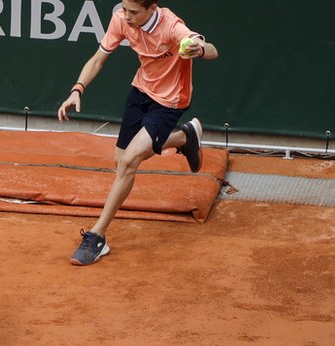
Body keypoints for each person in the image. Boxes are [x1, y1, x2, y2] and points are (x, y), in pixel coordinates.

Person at [57, 0, 218, 266]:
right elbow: (98, 59)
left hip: (170, 100)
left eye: (134, 12)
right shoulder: (121, 19)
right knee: (120, 160)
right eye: (124, 9)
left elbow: (212, 50)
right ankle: (184, 137)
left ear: (151, 9)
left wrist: (197, 49)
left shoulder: (171, 25)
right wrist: (77, 89)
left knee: (129, 161)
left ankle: (98, 235)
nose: (127, 16)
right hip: (140, 91)